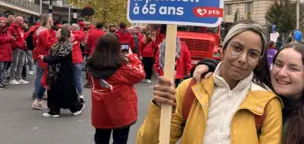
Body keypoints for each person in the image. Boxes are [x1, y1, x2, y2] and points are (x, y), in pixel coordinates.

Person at [137, 21, 284, 144]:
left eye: (252, 54)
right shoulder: (190, 89)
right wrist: (158, 107)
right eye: (237, 48)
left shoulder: (268, 103)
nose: (242, 59)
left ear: (258, 62)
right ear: (223, 50)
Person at [86, 33, 145, 144]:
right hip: (121, 112)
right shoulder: (122, 68)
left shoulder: (91, 65)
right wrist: (131, 57)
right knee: (120, 140)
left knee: (101, 139)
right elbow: (140, 74)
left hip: (100, 112)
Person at [38, 24, 85, 117]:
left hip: (63, 71)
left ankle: (75, 108)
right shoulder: (57, 43)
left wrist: (45, 58)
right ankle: (54, 110)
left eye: (59, 32)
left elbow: (59, 57)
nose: (56, 32)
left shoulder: (67, 44)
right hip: (54, 71)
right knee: (53, 90)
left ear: (63, 34)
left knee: (65, 91)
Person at [32, 14, 56, 110]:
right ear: (48, 21)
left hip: (39, 54)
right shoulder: (45, 31)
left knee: (39, 76)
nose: (53, 21)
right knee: (43, 78)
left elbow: (35, 42)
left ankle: (37, 96)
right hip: (44, 56)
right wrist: (56, 40)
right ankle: (38, 99)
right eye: (51, 19)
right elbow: (48, 44)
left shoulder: (38, 30)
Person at [8, 16, 28, 85]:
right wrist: (15, 46)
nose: (23, 22)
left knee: (21, 64)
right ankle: (12, 78)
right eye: (22, 20)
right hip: (16, 48)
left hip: (22, 47)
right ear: (18, 21)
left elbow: (23, 37)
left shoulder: (20, 28)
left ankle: (18, 78)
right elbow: (9, 37)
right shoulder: (11, 28)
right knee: (14, 64)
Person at [85, 23, 105, 89]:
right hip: (101, 51)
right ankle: (100, 81)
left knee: (90, 66)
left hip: (93, 51)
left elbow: (87, 43)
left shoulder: (92, 33)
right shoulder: (103, 34)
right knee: (100, 67)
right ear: (101, 27)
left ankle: (89, 81)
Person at [71, 24, 86, 102]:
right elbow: (83, 35)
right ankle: (80, 94)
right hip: (77, 58)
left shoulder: (68, 35)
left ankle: (72, 94)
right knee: (78, 78)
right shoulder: (80, 35)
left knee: (70, 78)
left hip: (69, 59)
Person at [0, 17, 14, 88]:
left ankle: (1, 82)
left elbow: (8, 39)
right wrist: (9, 38)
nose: (1, 24)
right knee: (1, 68)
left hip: (7, 53)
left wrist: (12, 39)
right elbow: (1, 39)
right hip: (1, 53)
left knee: (4, 69)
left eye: (3, 22)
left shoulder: (7, 31)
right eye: (0, 22)